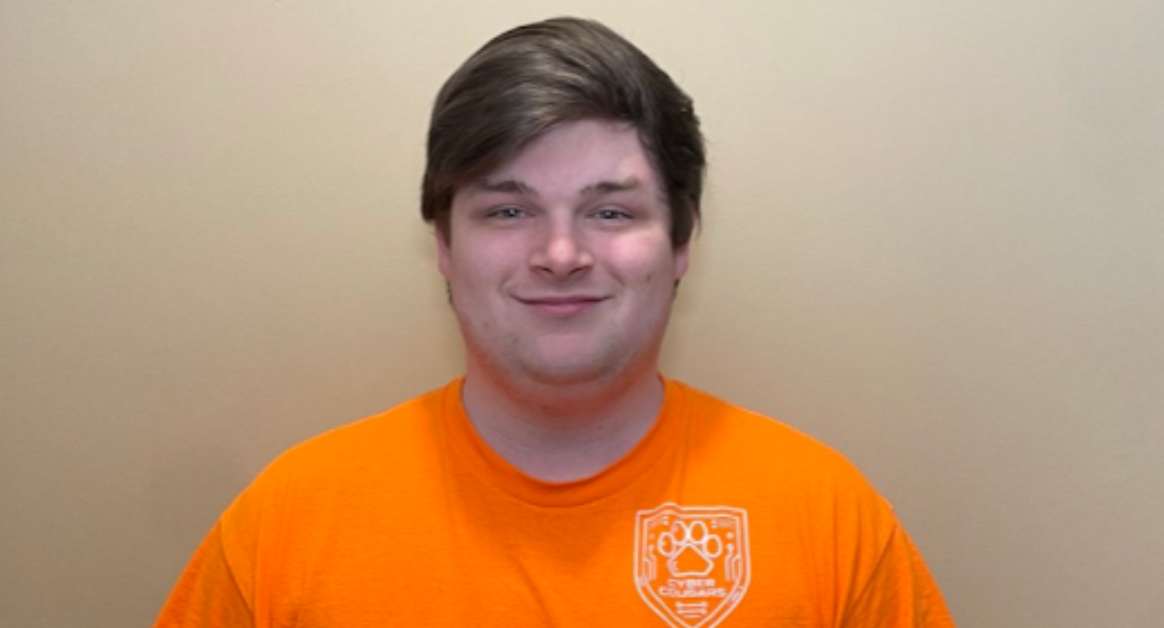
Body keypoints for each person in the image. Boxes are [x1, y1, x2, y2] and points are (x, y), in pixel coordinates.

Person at [154, 17, 955, 628]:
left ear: (681, 243)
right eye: (508, 209)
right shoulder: (286, 525)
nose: (562, 252)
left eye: (610, 210)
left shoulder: (829, 517)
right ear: (443, 244)